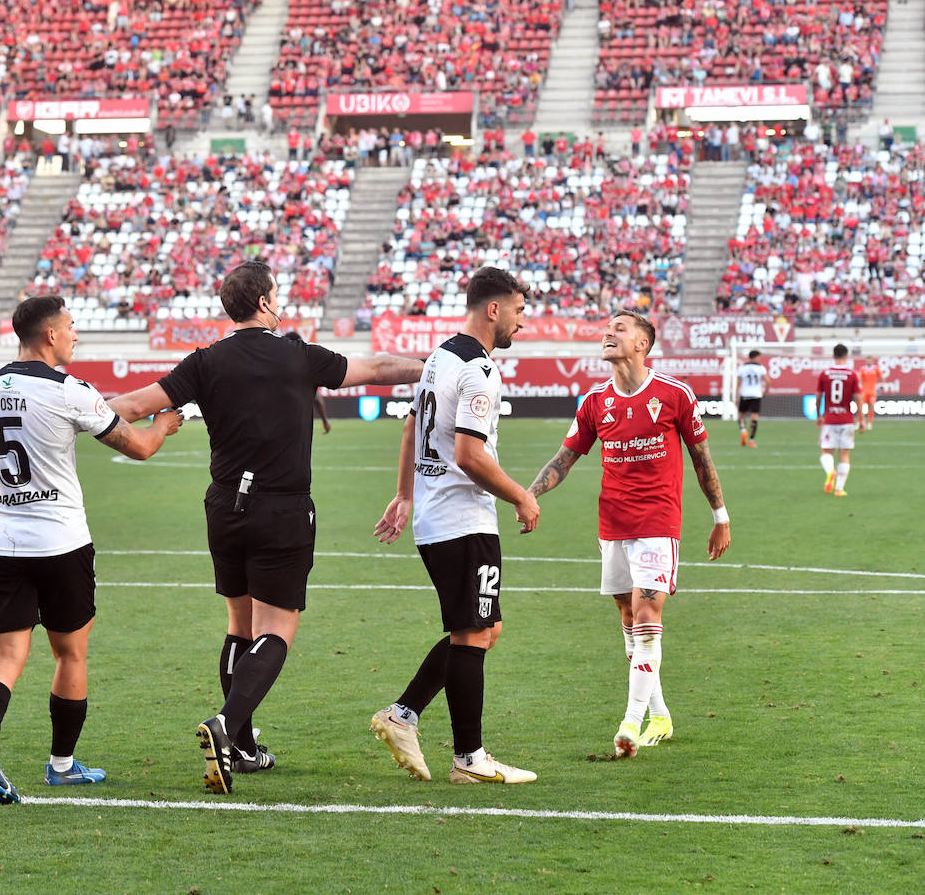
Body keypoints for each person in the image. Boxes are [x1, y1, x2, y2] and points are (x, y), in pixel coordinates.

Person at [108, 260, 423, 794]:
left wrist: (66, 414)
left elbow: (131, 406)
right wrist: (435, 368)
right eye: (276, 295)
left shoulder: (204, 362)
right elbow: (377, 368)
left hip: (223, 508)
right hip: (281, 508)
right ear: (263, 303)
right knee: (277, 629)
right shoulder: (297, 354)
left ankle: (247, 747)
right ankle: (229, 728)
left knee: (239, 624)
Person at [0, 296, 183, 803]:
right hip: (62, 542)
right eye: (70, 326)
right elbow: (141, 447)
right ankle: (61, 765)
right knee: (70, 653)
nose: (75, 334)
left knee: (4, 654)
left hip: (4, 542)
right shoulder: (70, 390)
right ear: (48, 336)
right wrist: (164, 426)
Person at [527, 311, 731, 757]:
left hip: (658, 522)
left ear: (643, 344)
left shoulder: (674, 394)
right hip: (612, 524)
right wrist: (530, 493)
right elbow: (565, 458)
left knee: (646, 615)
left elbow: (701, 459)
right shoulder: (595, 401)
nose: (608, 334)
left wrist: (721, 516)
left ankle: (630, 722)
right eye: (607, 329)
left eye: (619, 329)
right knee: (627, 615)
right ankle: (658, 711)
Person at [368, 268, 540, 785]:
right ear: (494, 310)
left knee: (486, 629)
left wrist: (405, 494)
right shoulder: (479, 369)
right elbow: (469, 454)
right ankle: (469, 759)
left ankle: (402, 716)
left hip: (436, 515)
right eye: (519, 310)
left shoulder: (440, 356)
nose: (522, 322)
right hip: (463, 518)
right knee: (471, 632)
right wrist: (521, 496)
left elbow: (410, 428)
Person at [816, 344, 864, 496]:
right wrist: (861, 419)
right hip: (847, 420)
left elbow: (818, 397)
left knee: (826, 451)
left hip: (830, 419)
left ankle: (830, 472)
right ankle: (839, 489)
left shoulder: (824, 374)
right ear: (846, 356)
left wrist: (819, 415)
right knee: (844, 454)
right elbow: (858, 398)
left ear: (833, 356)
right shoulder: (852, 374)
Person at [735, 349, 768, 447]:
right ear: (756, 357)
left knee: (741, 416)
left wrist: (737, 396)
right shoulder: (761, 368)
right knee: (755, 418)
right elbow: (768, 381)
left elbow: (738, 383)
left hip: (745, 394)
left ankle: (743, 430)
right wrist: (765, 392)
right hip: (756, 395)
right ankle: (751, 440)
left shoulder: (742, 368)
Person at [858, 356, 880, 430]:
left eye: (870, 360)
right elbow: (860, 379)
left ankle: (870, 423)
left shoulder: (876, 368)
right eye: (867, 360)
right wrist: (860, 388)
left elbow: (882, 377)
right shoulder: (862, 369)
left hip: (872, 391)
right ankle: (859, 422)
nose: (868, 361)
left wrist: (881, 386)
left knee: (871, 407)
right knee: (861, 407)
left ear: (872, 361)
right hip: (864, 391)